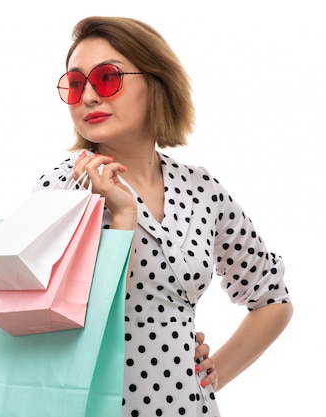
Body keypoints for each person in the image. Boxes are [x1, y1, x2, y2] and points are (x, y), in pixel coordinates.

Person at [33, 16, 293, 417]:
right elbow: (72, 323)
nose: (88, 97)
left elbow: (271, 298)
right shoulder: (64, 188)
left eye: (106, 79)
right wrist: (123, 215)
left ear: (155, 81)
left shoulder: (200, 188)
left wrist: (215, 372)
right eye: (75, 84)